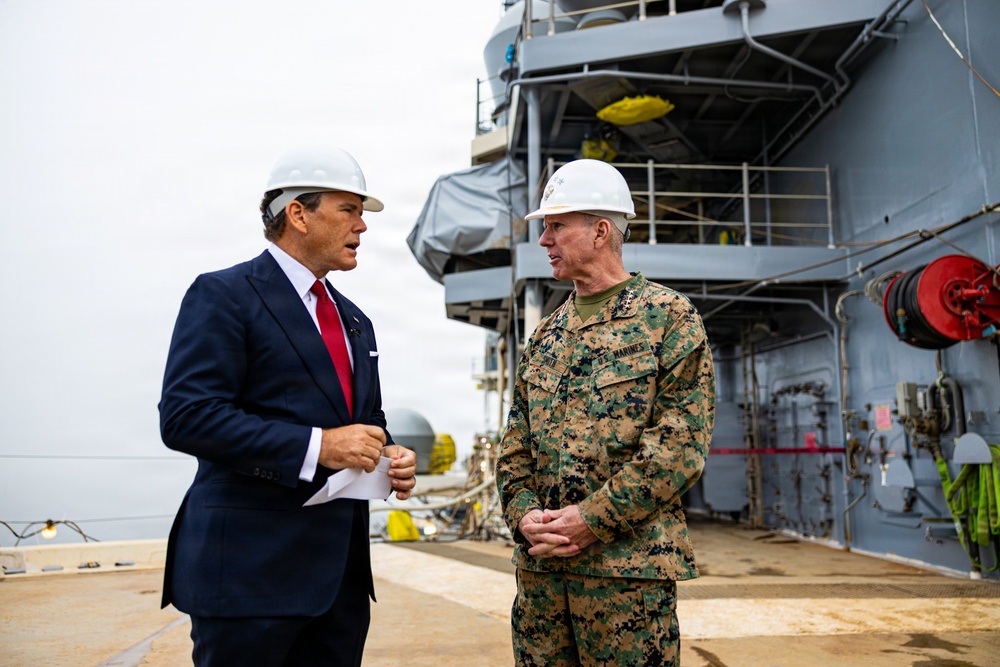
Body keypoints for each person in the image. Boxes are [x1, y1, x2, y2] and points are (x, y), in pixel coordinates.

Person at [158, 145, 417, 667]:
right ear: (297, 213)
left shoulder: (354, 319)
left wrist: (389, 455)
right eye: (349, 210)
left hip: (339, 586)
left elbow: (366, 421)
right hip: (249, 578)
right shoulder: (224, 295)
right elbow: (187, 415)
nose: (362, 227)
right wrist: (319, 445)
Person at [496, 159, 716, 666]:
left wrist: (591, 520)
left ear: (600, 231)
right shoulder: (545, 335)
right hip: (542, 581)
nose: (544, 240)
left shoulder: (669, 319)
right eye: (544, 228)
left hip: (627, 582)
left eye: (556, 226)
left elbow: (680, 449)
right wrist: (526, 517)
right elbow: (514, 449)